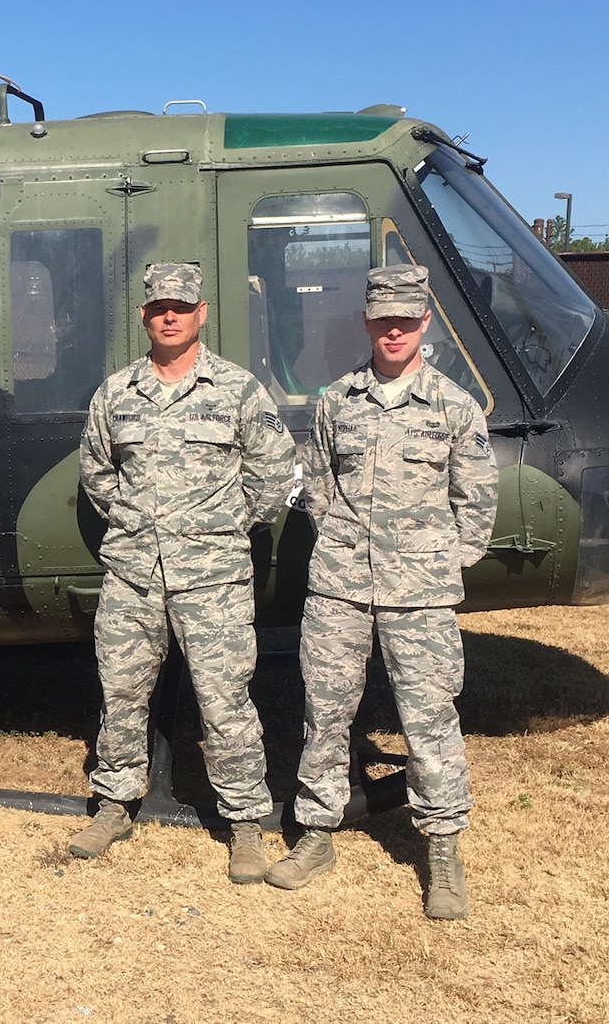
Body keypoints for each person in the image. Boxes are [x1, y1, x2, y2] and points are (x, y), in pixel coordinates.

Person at [265, 265, 498, 921]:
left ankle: (442, 850)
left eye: (406, 320)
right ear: (367, 324)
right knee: (326, 714)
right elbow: (316, 488)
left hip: (419, 595)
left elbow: (477, 504)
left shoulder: (454, 406)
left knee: (429, 722)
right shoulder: (337, 400)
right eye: (382, 320)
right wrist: (347, 547)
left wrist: (433, 561)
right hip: (340, 589)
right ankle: (315, 834)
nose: (394, 331)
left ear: (425, 323)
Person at [70, 261, 296, 882]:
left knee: (225, 702)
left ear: (201, 314)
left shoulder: (238, 390)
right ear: (145, 316)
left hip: (214, 579)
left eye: (180, 306)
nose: (168, 316)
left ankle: (245, 822)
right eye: (157, 307)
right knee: (121, 695)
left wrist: (220, 528)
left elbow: (275, 473)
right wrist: (137, 521)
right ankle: (114, 804)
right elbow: (96, 472)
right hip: (134, 576)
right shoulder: (115, 393)